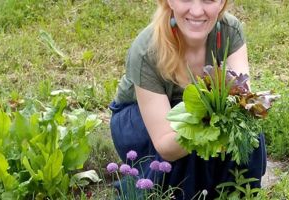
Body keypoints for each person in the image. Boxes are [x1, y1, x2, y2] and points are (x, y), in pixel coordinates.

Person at [109, 0, 266, 199]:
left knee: (246, 129)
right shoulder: (147, 50)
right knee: (187, 148)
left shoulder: (228, 30)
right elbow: (166, 146)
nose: (197, 11)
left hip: (205, 111)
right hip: (140, 117)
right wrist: (208, 128)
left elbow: (242, 99)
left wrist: (222, 120)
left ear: (222, 3)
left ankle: (237, 192)